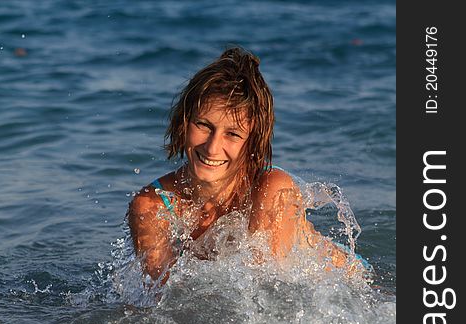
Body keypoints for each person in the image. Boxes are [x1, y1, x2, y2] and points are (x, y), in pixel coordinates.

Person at [128, 47, 352, 284]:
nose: (212, 148)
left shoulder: (271, 189)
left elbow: (271, 292)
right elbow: (159, 299)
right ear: (183, 123)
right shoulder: (152, 206)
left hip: (353, 287)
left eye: (233, 134)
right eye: (203, 125)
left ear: (252, 143)